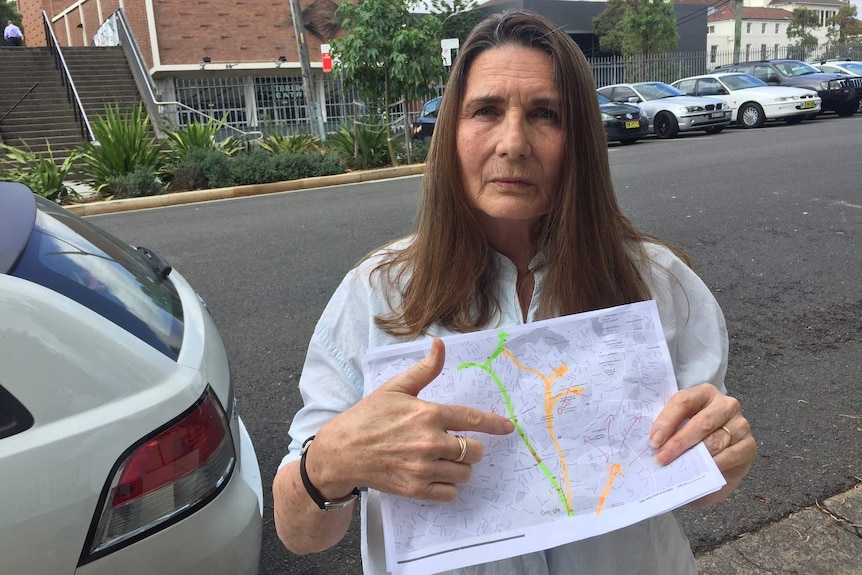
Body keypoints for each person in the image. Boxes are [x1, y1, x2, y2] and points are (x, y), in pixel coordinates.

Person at [273, 9, 757, 574]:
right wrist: (329, 464)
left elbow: (695, 480)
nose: (513, 143)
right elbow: (300, 534)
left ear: (580, 138)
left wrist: (723, 456)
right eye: (486, 110)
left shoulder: (660, 282)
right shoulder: (376, 295)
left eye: (545, 114)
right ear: (451, 131)